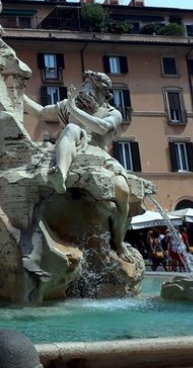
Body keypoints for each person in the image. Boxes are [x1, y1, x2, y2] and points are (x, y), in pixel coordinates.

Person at [24, 70, 131, 261]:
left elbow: (102, 127)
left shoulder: (112, 113)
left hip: (99, 155)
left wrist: (75, 111)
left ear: (101, 92)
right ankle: (61, 175)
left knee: (123, 191)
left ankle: (119, 241)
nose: (84, 89)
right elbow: (39, 113)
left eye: (90, 86)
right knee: (72, 128)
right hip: (72, 151)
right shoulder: (68, 106)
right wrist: (16, 91)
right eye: (84, 85)